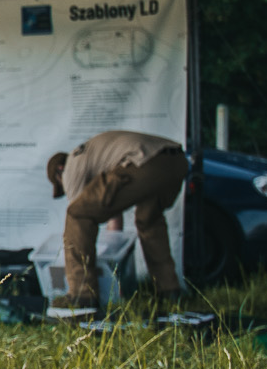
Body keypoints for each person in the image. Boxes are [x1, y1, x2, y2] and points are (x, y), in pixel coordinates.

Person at [47, 130, 189, 310]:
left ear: (60, 171)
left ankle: (81, 295)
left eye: (60, 185)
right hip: (175, 162)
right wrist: (113, 250)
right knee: (149, 221)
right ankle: (169, 290)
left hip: (143, 162)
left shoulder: (72, 164)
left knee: (77, 215)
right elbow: (111, 208)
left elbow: (80, 213)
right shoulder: (97, 157)